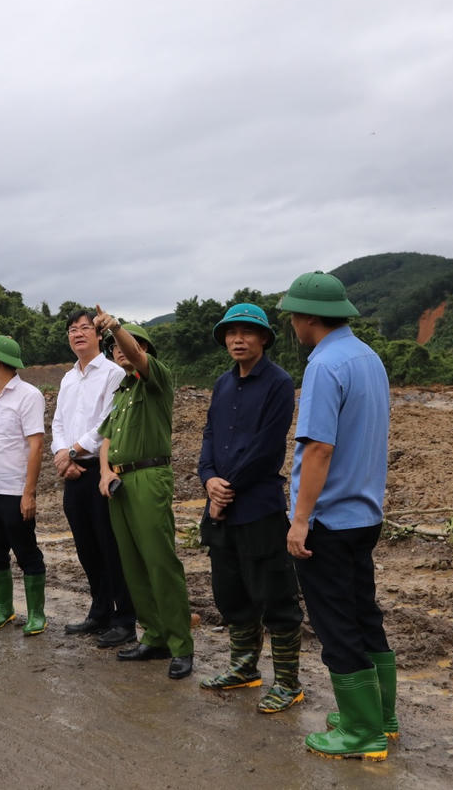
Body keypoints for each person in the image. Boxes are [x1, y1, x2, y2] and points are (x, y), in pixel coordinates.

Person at [281, 271, 397, 760]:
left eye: (291, 313)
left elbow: (320, 448)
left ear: (306, 317)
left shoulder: (324, 365)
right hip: (365, 514)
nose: (290, 321)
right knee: (364, 614)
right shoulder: (367, 357)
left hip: (328, 520)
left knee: (335, 624)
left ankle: (360, 733)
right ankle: (379, 716)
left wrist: (300, 518)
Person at [197, 303, 304, 713]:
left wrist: (227, 490)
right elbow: (209, 434)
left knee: (275, 592)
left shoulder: (278, 383)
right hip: (220, 505)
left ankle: (289, 683)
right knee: (231, 590)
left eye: (247, 332)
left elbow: (268, 446)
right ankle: (244, 668)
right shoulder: (222, 384)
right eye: (231, 333)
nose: (237, 339)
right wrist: (208, 478)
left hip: (258, 506)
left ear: (263, 339)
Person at [93, 308, 194, 680]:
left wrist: (117, 328)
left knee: (160, 562)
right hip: (119, 482)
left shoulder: (157, 380)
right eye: (113, 347)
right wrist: (103, 472)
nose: (119, 351)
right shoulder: (121, 391)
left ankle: (181, 644)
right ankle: (154, 636)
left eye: (127, 345)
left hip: (150, 477)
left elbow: (135, 355)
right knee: (132, 563)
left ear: (144, 347)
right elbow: (106, 437)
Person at [50, 309, 135, 647]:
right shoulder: (67, 377)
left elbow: (108, 423)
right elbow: (56, 422)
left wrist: (72, 451)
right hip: (72, 474)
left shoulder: (113, 373)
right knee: (86, 548)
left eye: (85, 327)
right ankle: (99, 611)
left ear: (98, 335)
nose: (78, 333)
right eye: (72, 329)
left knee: (110, 547)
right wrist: (62, 456)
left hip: (100, 470)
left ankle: (125, 618)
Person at [0, 336, 47, 635]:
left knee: (27, 552)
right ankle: (4, 609)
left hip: (14, 491)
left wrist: (29, 492)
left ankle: (37, 614)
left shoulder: (29, 395)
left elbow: (37, 446)